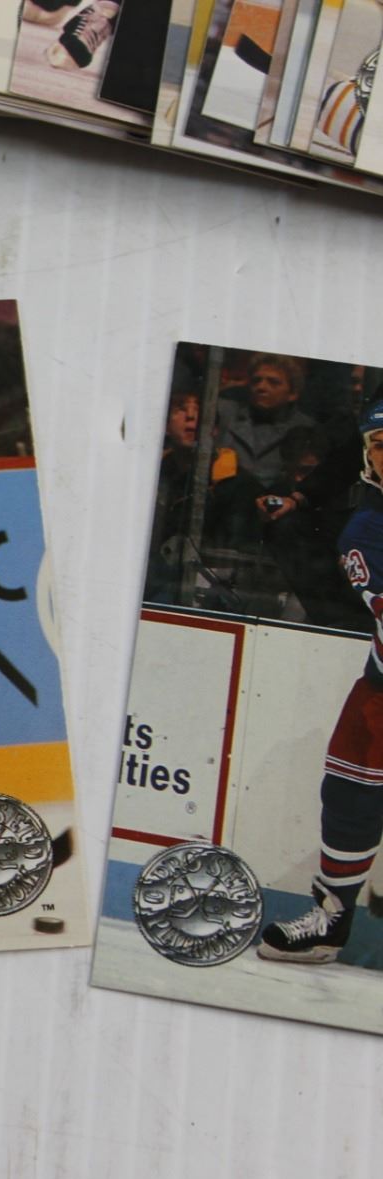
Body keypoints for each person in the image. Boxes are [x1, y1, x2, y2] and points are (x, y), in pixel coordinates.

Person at [256, 400, 383, 964]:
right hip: (380, 689)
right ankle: (331, 920)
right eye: (379, 445)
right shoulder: (367, 530)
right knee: (349, 794)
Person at [214, 354, 318, 484]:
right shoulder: (227, 412)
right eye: (256, 381)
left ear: (293, 393)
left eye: (273, 382)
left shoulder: (306, 428)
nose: (261, 387)